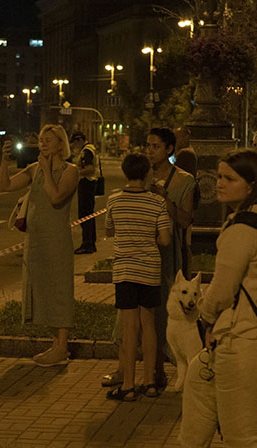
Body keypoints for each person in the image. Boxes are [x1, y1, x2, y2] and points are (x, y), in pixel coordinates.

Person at [153, 150, 257, 448]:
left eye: (229, 179)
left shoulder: (242, 229)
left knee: (244, 430)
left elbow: (221, 291)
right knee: (198, 375)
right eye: (220, 176)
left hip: (244, 338)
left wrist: (204, 316)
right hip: (245, 334)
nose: (219, 183)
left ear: (251, 186)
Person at [101, 127, 195, 391]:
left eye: (155, 146)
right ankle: (125, 369)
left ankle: (157, 370)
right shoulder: (141, 175)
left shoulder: (184, 180)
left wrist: (166, 201)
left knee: (160, 315)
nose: (150, 151)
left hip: (166, 257)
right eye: (148, 146)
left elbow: (186, 220)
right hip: (141, 258)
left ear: (169, 149)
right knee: (128, 319)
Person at [0, 124, 79, 367]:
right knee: (42, 288)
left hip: (57, 239)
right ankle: (55, 343)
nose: (42, 143)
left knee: (59, 289)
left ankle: (62, 346)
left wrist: (45, 169)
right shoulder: (34, 169)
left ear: (60, 144)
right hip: (36, 240)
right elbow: (7, 185)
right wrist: (3, 160)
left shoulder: (70, 171)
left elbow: (56, 198)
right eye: (41, 139)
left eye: (48, 140)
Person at [104, 153, 171, 401]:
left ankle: (128, 386)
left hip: (124, 270)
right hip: (149, 269)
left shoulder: (114, 200)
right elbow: (165, 239)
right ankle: (150, 382)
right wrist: (147, 240)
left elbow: (109, 230)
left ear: (125, 173)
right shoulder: (157, 203)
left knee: (130, 328)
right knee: (149, 325)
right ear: (146, 175)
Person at [70, 131, 101, 254]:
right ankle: (90, 242)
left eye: (75, 143)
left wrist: (75, 172)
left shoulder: (86, 151)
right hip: (89, 183)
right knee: (88, 215)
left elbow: (89, 169)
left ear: (79, 140)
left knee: (85, 216)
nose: (74, 146)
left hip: (87, 183)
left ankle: (87, 244)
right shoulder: (90, 148)